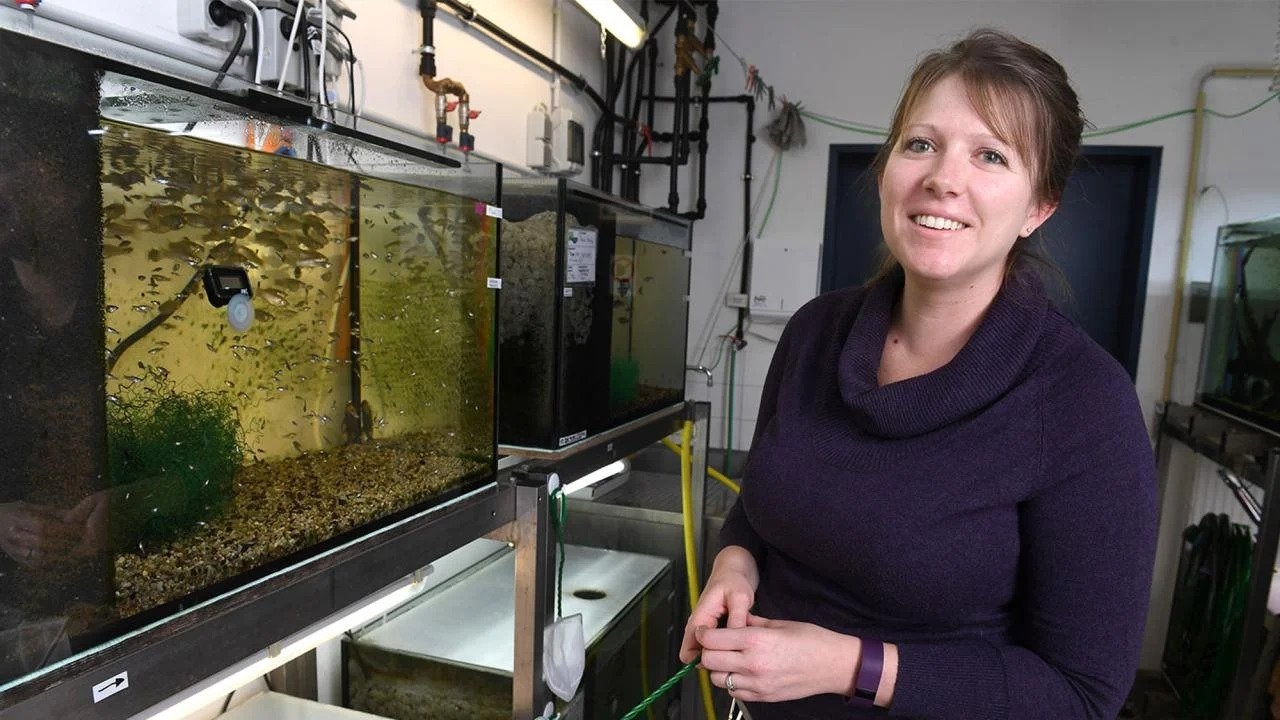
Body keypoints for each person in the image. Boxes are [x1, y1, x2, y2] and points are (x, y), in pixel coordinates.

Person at [679, 28, 1158, 720]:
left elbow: (1080, 696)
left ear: (1038, 207)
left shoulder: (1085, 403)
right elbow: (760, 506)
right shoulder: (815, 334)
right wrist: (735, 564)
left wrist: (850, 666)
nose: (943, 178)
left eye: (991, 155)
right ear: (886, 171)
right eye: (920, 144)